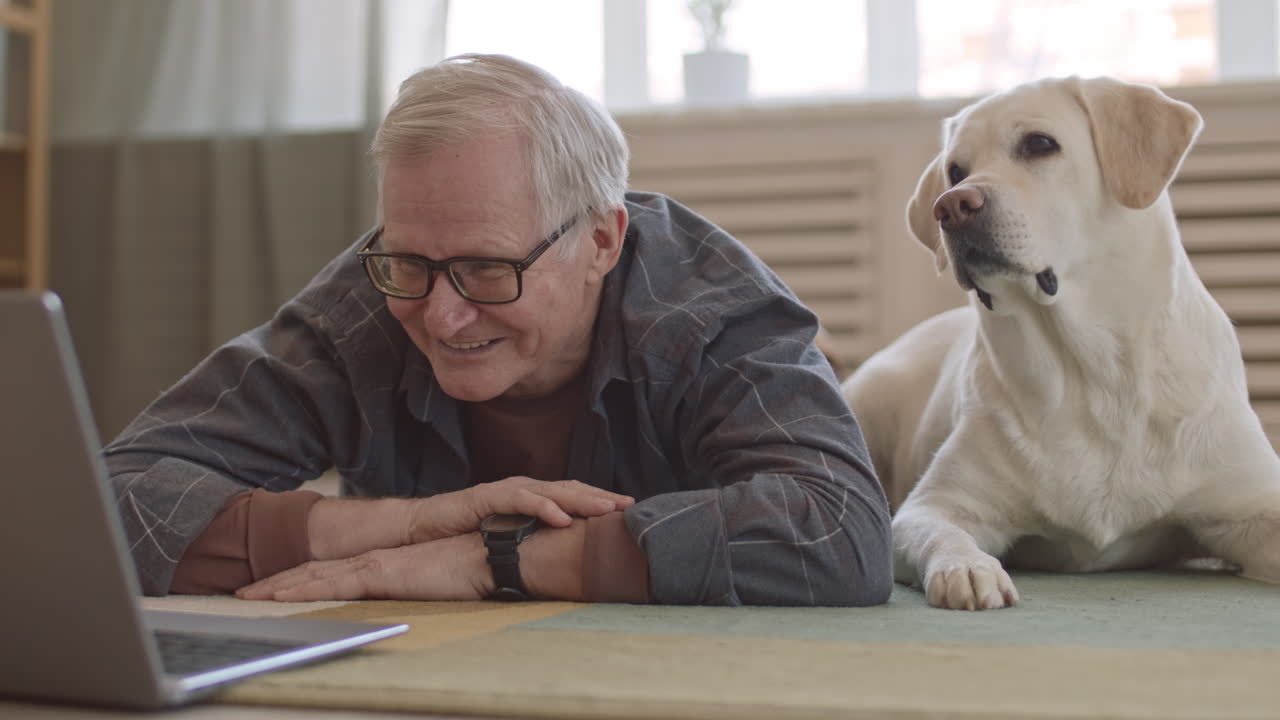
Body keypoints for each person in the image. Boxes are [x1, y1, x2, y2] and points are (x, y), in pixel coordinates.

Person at [105, 53, 892, 606]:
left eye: (488, 269)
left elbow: (842, 534)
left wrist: (495, 562)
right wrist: (406, 525)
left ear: (602, 242)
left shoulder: (710, 310)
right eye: (409, 259)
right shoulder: (374, 299)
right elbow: (110, 498)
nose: (441, 315)